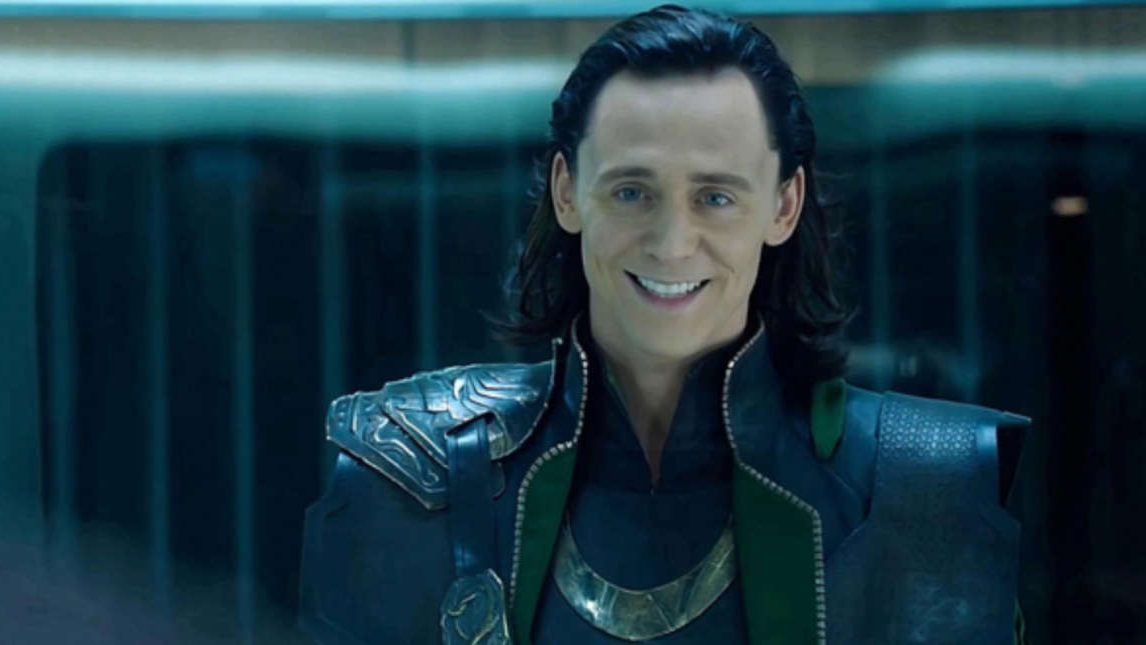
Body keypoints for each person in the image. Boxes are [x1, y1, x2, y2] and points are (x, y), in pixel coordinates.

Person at [299, 5, 1029, 644]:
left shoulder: (926, 485)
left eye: (715, 196)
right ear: (567, 191)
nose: (672, 243)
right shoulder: (409, 468)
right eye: (631, 191)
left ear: (783, 205)